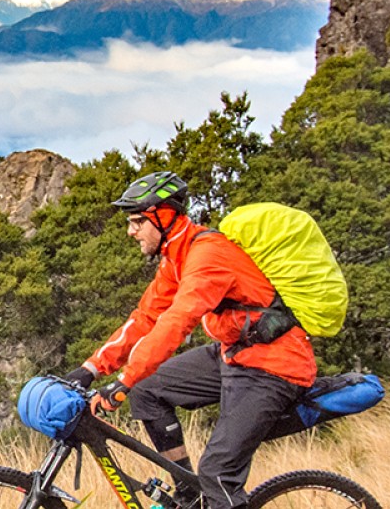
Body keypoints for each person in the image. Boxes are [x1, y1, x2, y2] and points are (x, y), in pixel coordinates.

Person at [61, 172, 316, 509]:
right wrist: (91, 369)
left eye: (137, 221)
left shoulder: (208, 255)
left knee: (218, 473)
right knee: (148, 390)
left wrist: (123, 381)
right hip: (235, 354)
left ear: (164, 216)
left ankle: (206, 491)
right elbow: (145, 317)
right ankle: (187, 493)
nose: (130, 231)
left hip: (272, 366)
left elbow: (175, 323)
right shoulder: (175, 259)